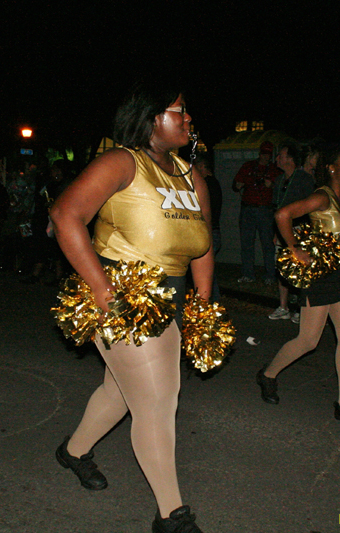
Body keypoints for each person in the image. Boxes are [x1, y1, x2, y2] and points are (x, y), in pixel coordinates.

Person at [49, 82, 213, 533]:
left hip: (175, 294)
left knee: (121, 392)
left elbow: (203, 246)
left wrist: (201, 306)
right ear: (150, 117)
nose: (187, 119)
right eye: (178, 110)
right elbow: (66, 215)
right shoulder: (121, 161)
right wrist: (103, 293)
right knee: (158, 403)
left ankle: (73, 452)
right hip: (127, 294)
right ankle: (172, 516)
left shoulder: (190, 174)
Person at [255, 144, 340, 423]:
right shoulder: (322, 197)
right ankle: (267, 374)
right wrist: (294, 248)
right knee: (308, 341)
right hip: (319, 278)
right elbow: (282, 214)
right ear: (332, 168)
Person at [269, 142, 315, 324]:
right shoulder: (280, 180)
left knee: (301, 269)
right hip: (282, 230)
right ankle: (283, 306)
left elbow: (311, 208)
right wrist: (276, 232)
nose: (277, 159)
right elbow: (276, 207)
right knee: (282, 267)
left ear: (290, 159)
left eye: (280, 155)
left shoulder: (304, 178)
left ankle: (301, 308)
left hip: (300, 231)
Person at [232, 140, 281, 283]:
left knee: (268, 244)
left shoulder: (274, 170)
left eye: (269, 154)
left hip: (265, 210)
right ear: (260, 153)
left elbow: (281, 190)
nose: (266, 157)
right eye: (264, 153)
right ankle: (248, 274)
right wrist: (239, 185)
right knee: (246, 243)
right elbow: (235, 185)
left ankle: (270, 275)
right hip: (248, 209)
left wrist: (271, 186)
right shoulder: (248, 166)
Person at [195, 153, 222, 300]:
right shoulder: (211, 183)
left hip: (210, 232)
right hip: (212, 231)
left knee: (206, 273)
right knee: (207, 273)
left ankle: (211, 303)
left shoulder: (208, 184)